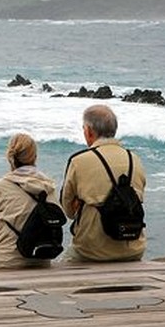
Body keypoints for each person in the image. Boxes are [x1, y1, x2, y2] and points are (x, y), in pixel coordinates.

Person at [61, 104, 147, 262]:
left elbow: (68, 211)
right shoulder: (134, 159)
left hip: (92, 251)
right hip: (134, 249)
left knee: (61, 270)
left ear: (89, 131)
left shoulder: (79, 161)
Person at [0, 133, 61, 268]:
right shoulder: (49, 187)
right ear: (35, 157)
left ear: (10, 158)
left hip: (6, 260)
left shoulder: (2, 186)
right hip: (41, 260)